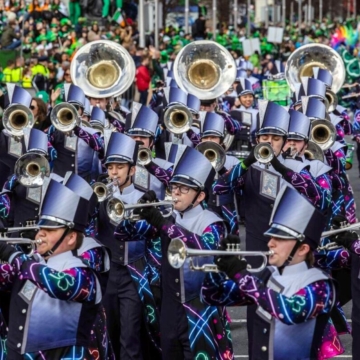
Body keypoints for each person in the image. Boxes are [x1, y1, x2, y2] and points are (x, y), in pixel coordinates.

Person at [201, 185, 343, 360]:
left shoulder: (321, 284)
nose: (270, 244)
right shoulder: (268, 275)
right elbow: (214, 296)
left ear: (302, 248)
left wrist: (240, 273)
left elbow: (289, 312)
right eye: (271, 237)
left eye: (280, 239)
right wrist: (219, 266)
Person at [134, 147, 233, 359]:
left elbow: (204, 248)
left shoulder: (213, 223)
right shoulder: (168, 217)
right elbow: (122, 234)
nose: (176, 193)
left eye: (183, 189)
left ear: (200, 196)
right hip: (171, 305)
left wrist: (162, 224)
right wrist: (140, 210)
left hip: (200, 306)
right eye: (174, 187)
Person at [0, 179, 105, 359]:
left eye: (49, 229)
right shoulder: (33, 262)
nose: (39, 234)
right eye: (40, 228)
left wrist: (13, 255)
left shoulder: (83, 272)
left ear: (71, 237)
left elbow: (63, 285)